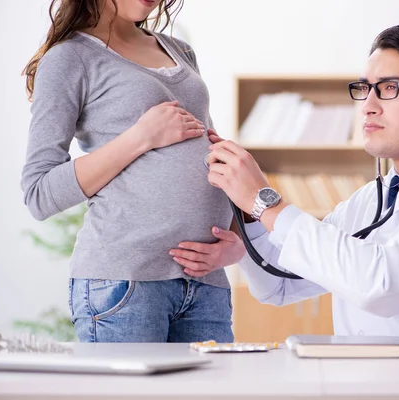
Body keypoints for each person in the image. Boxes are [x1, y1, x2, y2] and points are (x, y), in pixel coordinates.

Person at [173, 22, 399, 345]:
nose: (368, 105)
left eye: (390, 88)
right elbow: (279, 284)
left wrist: (265, 202)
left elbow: (381, 283)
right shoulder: (370, 201)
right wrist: (248, 209)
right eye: (365, 89)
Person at [21, 0, 245, 343]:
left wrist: (236, 243)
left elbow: (213, 157)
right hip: (125, 284)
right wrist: (141, 137)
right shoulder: (70, 58)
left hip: (206, 284)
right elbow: (39, 193)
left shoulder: (179, 50)